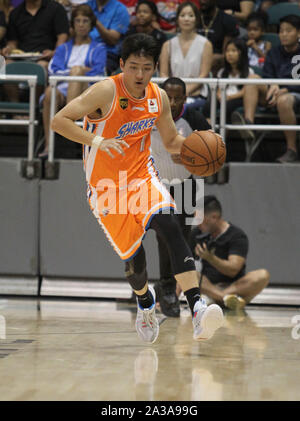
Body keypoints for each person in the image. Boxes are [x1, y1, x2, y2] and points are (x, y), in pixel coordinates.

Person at [51, 33, 224, 344]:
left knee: (170, 225)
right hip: (104, 188)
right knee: (135, 262)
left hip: (142, 176)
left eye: (147, 68)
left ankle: (197, 307)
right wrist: (98, 140)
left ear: (155, 67)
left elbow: (172, 142)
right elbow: (59, 121)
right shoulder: (105, 91)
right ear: (122, 65)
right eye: (133, 67)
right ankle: (145, 301)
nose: (140, 75)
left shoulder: (158, 97)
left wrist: (203, 147)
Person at [151, 77, 211, 318]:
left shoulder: (195, 118)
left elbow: (211, 153)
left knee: (182, 241)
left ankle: (172, 289)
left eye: (178, 98)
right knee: (165, 237)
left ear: (186, 99)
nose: (173, 102)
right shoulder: (149, 116)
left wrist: (190, 157)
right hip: (158, 185)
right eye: (169, 97)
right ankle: (165, 287)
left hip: (187, 184)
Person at [39, 3, 106, 157]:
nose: (81, 25)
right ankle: (49, 146)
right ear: (73, 24)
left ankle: (69, 120)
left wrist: (78, 72)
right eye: (78, 21)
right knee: (50, 92)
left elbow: (98, 74)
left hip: (89, 89)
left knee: (77, 71)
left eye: (85, 21)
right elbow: (54, 71)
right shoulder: (64, 48)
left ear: (91, 24)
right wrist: (78, 71)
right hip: (63, 87)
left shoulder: (99, 48)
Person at [232, 14, 300, 163]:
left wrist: (284, 89)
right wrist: (273, 86)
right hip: (274, 93)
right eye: (281, 31)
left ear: (299, 33)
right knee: (253, 79)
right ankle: (248, 126)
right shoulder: (274, 52)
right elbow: (267, 75)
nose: (283, 34)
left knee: (283, 100)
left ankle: (292, 150)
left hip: (294, 94)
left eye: (288, 31)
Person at [189, 195, 270, 310]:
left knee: (262, 275)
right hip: (209, 287)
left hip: (235, 288)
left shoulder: (237, 236)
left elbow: (233, 270)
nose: (197, 224)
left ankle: (224, 299)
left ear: (214, 217)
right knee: (187, 273)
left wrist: (210, 258)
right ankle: (225, 299)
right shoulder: (196, 234)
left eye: (200, 220)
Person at [159, 1, 213, 110]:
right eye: (182, 15)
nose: (186, 19)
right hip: (172, 96)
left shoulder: (206, 44)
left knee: (184, 109)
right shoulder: (167, 45)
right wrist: (174, 92)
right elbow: (163, 74)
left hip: (197, 94)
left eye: (191, 15)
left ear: (196, 19)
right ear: (177, 19)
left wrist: (185, 91)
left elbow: (204, 74)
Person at [3, 0, 69, 71]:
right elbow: (12, 42)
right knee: (6, 65)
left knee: (40, 66)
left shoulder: (56, 8)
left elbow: (62, 36)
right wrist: (9, 49)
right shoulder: (15, 13)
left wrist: (54, 53)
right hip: (21, 57)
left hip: (46, 58)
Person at [202, 38, 255, 125]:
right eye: (227, 51)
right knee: (208, 105)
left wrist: (229, 97)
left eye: (234, 51)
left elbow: (245, 91)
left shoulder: (249, 72)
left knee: (226, 107)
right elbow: (219, 88)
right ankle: (209, 129)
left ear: (242, 53)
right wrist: (219, 95)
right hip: (224, 97)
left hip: (238, 98)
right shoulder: (222, 71)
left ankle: (223, 134)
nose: (229, 54)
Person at [87, 0, 130, 75]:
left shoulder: (120, 9)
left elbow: (112, 40)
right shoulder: (87, 5)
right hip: (84, 48)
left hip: (107, 53)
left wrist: (95, 21)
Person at [198, 0, 240, 76]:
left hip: (218, 63)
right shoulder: (194, 18)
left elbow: (227, 53)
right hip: (195, 59)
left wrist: (211, 58)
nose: (202, 1)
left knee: (215, 59)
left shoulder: (227, 20)